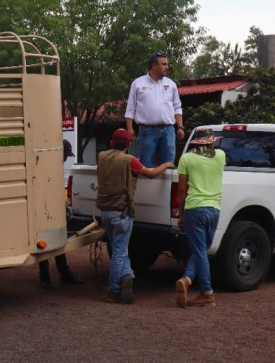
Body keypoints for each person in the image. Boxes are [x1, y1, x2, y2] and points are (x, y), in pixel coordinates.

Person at [96, 128, 173, 304]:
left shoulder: (101, 156)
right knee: (119, 252)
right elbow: (152, 174)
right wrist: (166, 165)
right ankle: (114, 290)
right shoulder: (130, 161)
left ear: (111, 142)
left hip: (105, 211)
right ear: (129, 145)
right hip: (121, 212)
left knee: (118, 248)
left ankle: (127, 274)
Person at [174, 127, 226, 308]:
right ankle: (187, 279)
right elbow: (210, 156)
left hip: (194, 209)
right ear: (212, 141)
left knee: (199, 251)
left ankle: (207, 293)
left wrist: (181, 214)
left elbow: (182, 190)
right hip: (214, 209)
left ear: (196, 141)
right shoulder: (221, 155)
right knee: (202, 250)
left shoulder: (187, 158)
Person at [124, 51, 184, 167]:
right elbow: (130, 108)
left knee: (168, 166)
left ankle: (166, 186)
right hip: (147, 131)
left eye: (167, 64)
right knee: (146, 165)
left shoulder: (171, 84)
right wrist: (130, 129)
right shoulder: (138, 83)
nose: (167, 67)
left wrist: (180, 126)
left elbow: (177, 107)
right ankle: (147, 186)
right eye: (164, 64)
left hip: (168, 131)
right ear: (154, 66)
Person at [39, 138, 83, 289]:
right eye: (65, 155)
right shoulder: (46, 166)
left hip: (54, 209)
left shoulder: (56, 166)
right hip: (43, 209)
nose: (65, 159)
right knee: (43, 244)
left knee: (58, 242)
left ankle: (64, 274)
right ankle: (45, 277)